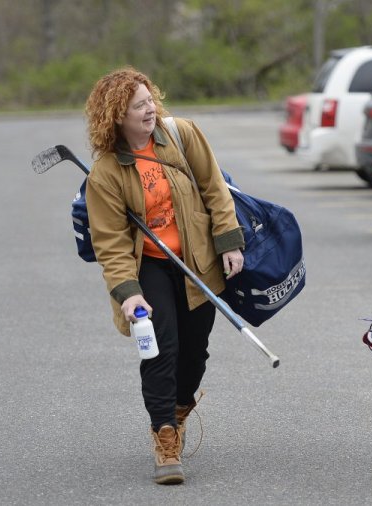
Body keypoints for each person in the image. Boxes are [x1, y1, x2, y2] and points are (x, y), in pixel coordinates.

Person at [84, 67, 245, 485]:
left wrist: (229, 241)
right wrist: (128, 294)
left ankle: (178, 410)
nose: (150, 110)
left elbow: (215, 188)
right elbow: (110, 242)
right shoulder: (106, 172)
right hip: (150, 266)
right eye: (138, 106)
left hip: (197, 260)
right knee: (160, 350)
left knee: (195, 353)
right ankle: (165, 436)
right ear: (116, 115)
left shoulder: (181, 134)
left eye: (150, 100)